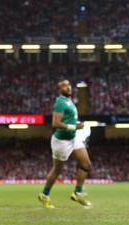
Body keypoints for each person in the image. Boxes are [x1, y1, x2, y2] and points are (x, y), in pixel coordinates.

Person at [38, 79, 92, 209]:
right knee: (57, 171)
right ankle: (44, 196)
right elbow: (56, 124)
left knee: (86, 165)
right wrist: (75, 127)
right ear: (59, 89)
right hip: (61, 141)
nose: (68, 87)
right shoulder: (60, 103)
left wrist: (77, 128)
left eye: (68, 85)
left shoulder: (69, 101)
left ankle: (77, 193)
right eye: (64, 85)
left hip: (73, 139)